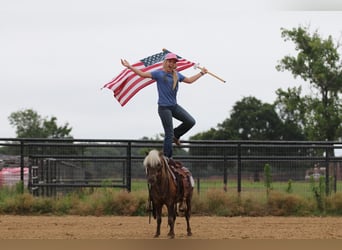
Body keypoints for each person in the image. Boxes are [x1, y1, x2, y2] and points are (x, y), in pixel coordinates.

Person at [121, 53, 208, 158]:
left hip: (174, 106)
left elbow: (189, 81)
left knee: (190, 121)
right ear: (166, 62)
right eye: (170, 61)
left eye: (174, 62)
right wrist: (129, 66)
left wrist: (202, 73)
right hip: (164, 108)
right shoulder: (159, 74)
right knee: (168, 133)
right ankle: (167, 157)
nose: (172, 64)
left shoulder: (176, 74)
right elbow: (142, 75)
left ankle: (176, 135)